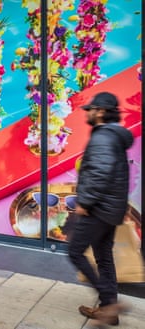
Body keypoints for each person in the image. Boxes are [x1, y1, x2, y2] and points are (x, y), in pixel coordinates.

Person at [68, 92, 133, 326]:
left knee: (75, 252)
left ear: (102, 112)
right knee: (104, 258)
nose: (89, 112)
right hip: (110, 209)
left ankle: (109, 301)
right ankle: (109, 311)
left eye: (92, 109)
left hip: (98, 208)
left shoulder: (103, 137)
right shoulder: (114, 136)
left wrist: (84, 202)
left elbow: (100, 172)